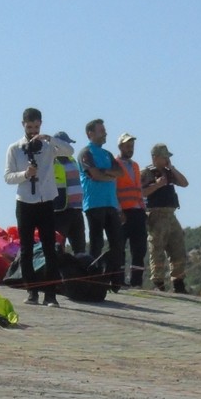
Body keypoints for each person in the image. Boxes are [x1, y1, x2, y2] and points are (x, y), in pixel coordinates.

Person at [4, 108, 72, 306]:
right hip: (25, 202)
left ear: (41, 124)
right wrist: (25, 174)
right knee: (26, 249)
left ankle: (50, 294)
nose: (33, 130)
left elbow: (69, 151)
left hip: (46, 201)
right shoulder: (15, 148)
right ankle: (31, 291)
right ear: (23, 125)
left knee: (50, 247)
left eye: (36, 126)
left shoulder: (48, 145)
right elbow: (7, 176)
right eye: (29, 126)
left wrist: (50, 138)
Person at [78, 118, 125, 292]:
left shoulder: (108, 154)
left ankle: (115, 280)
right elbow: (95, 175)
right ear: (90, 133)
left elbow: (119, 172)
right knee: (96, 243)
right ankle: (94, 279)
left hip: (111, 204)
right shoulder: (85, 153)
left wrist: (105, 172)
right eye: (101, 130)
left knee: (117, 243)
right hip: (94, 204)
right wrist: (107, 174)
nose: (105, 133)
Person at [141, 143, 189, 293]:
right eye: (164, 157)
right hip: (156, 213)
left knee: (178, 247)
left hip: (170, 214)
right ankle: (158, 282)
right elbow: (141, 192)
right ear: (155, 157)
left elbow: (184, 183)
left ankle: (178, 281)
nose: (167, 159)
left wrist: (172, 169)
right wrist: (157, 185)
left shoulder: (169, 173)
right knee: (157, 248)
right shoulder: (146, 173)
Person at [115, 133, 147, 288]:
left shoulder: (135, 165)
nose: (130, 149)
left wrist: (143, 208)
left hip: (138, 211)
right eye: (127, 146)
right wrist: (118, 209)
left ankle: (136, 282)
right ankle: (119, 280)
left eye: (132, 146)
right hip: (123, 212)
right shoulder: (114, 164)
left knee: (139, 248)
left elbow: (138, 188)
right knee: (120, 247)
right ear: (120, 146)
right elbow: (113, 188)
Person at [52, 131, 87, 255]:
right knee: (58, 247)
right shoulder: (52, 161)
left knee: (80, 248)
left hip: (76, 209)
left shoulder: (72, 160)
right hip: (60, 210)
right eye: (66, 143)